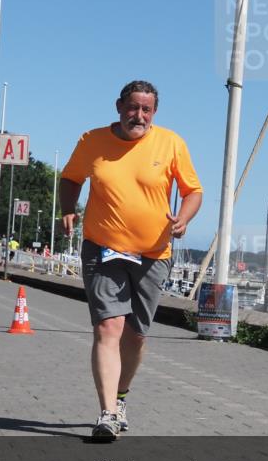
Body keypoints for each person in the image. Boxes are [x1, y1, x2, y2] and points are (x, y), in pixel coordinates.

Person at [60, 80, 202, 441]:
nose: (138, 115)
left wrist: (184, 218)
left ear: (154, 113)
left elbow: (193, 191)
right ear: (119, 106)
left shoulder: (170, 143)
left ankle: (121, 397)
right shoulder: (91, 141)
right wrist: (67, 210)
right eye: (132, 107)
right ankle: (107, 413)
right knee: (108, 328)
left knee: (135, 336)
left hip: (153, 254)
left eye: (146, 109)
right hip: (102, 247)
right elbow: (72, 177)